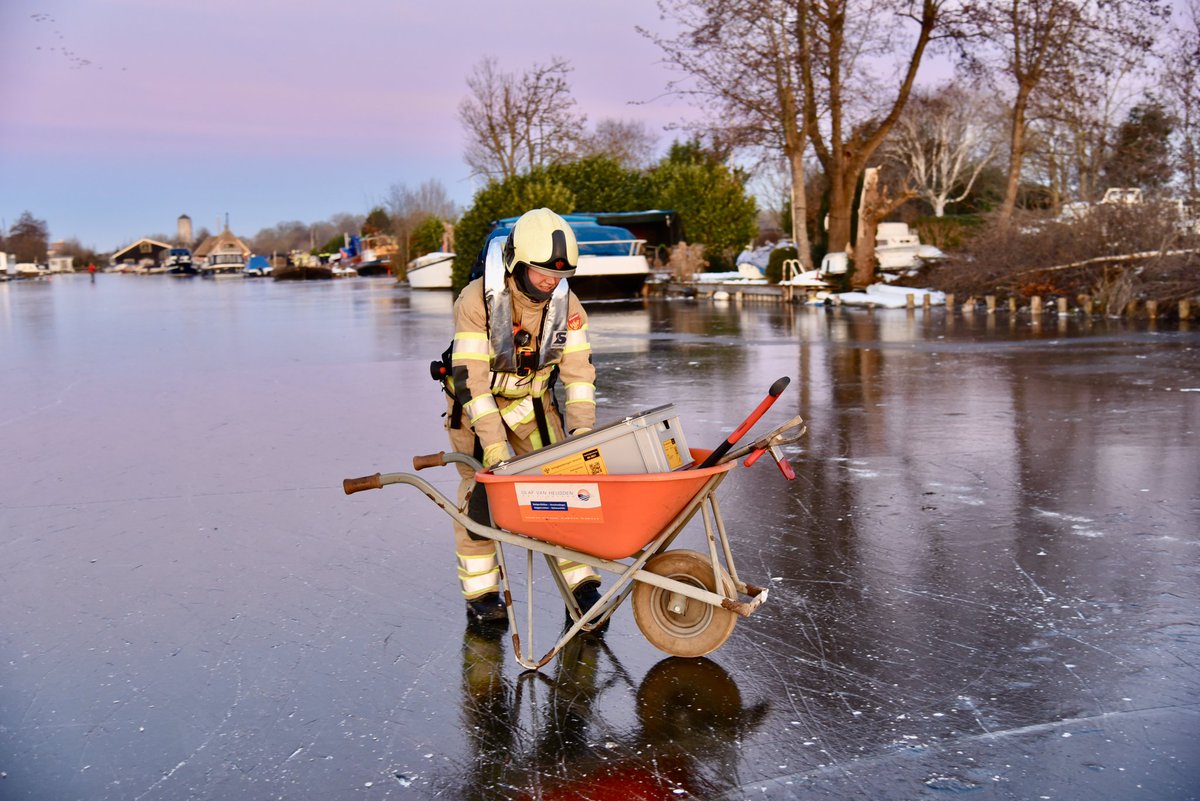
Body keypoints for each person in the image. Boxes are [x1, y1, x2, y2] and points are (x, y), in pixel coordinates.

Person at [441, 208, 603, 626]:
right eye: (541, 273)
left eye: (559, 276)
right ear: (516, 265)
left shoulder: (569, 305)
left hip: (535, 411)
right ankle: (482, 594)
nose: (551, 283)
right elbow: (472, 382)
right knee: (480, 501)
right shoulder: (475, 301)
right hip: (479, 414)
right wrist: (493, 445)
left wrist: (582, 432)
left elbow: (579, 373)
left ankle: (581, 584)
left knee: (565, 494)